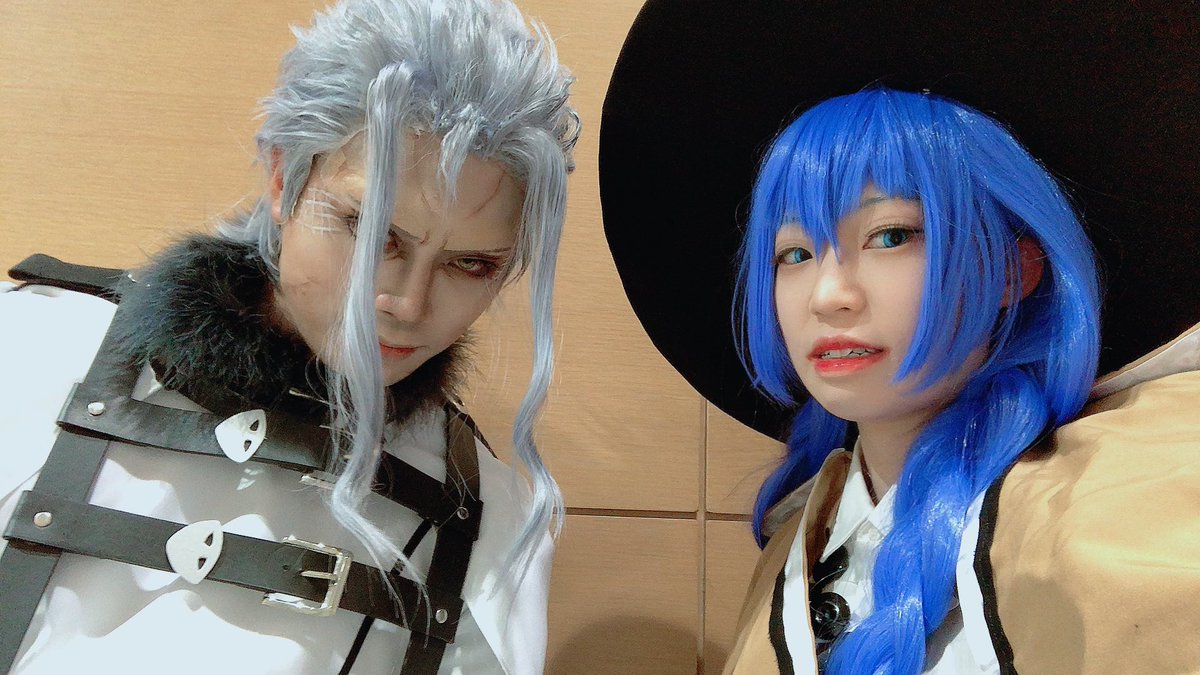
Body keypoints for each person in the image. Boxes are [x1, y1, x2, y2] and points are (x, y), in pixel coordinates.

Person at [598, 2, 1198, 673]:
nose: (828, 294)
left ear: (1013, 269)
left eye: (890, 236)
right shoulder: (794, 553)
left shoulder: (1121, 526)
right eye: (794, 253)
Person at [0, 0, 578, 673]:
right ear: (284, 180)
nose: (406, 303)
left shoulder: (489, 515)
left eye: (470, 264)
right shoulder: (31, 345)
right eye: (372, 232)